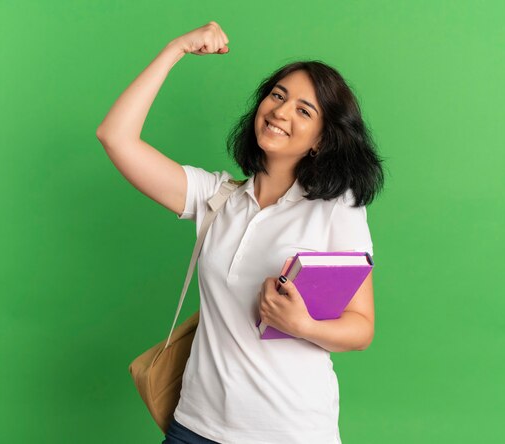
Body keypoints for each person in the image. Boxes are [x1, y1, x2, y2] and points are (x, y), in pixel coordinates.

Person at [96, 21, 385, 444]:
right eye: (277, 96)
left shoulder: (335, 209)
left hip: (289, 432)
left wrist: (302, 324)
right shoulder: (216, 197)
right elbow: (115, 137)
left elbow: (361, 328)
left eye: (304, 111)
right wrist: (175, 49)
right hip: (194, 426)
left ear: (321, 140)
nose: (281, 112)